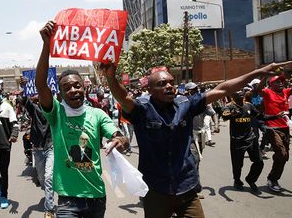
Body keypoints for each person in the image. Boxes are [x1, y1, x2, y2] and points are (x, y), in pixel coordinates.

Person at [101, 58, 292, 217]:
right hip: (155, 190)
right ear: (149, 90)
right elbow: (123, 97)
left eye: (171, 83)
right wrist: (111, 78)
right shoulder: (141, 110)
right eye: (161, 84)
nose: (169, 86)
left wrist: (257, 72)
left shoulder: (186, 104)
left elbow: (223, 89)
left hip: (187, 188)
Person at [36, 21, 129, 218]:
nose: (73, 90)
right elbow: (41, 85)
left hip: (96, 198)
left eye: (77, 85)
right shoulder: (56, 114)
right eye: (67, 88)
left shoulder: (97, 114)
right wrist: (46, 45)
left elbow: (118, 135)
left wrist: (120, 140)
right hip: (68, 201)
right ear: (60, 94)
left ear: (84, 88)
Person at [222, 90, 283, 193]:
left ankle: (251, 179)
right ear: (233, 96)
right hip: (237, 141)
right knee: (237, 165)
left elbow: (260, 116)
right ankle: (237, 181)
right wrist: (231, 114)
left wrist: (276, 116)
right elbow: (224, 115)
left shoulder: (248, 105)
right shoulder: (229, 106)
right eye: (238, 93)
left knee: (259, 162)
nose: (241, 94)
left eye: (242, 93)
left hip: (251, 138)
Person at [19, 77, 55, 218]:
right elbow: (24, 100)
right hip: (38, 149)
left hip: (51, 147)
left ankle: (49, 209)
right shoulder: (34, 109)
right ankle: (48, 194)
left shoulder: (55, 109)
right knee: (41, 178)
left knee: (48, 177)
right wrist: (23, 87)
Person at [256, 74, 291, 192]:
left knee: (284, 156)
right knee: (282, 153)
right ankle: (272, 179)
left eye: (282, 81)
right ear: (271, 84)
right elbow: (258, 90)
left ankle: (273, 178)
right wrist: (265, 76)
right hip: (272, 128)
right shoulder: (267, 93)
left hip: (285, 128)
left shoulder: (286, 92)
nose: (281, 83)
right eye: (277, 82)